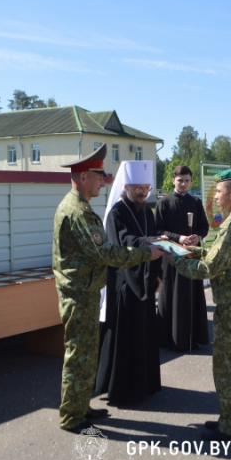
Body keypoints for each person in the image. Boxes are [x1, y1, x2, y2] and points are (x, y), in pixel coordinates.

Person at [53, 145, 165, 433]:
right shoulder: (78, 213)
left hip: (85, 292)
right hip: (79, 295)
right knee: (78, 357)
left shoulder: (81, 208)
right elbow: (107, 254)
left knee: (86, 356)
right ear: (84, 177)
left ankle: (81, 407)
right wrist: (145, 255)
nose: (103, 181)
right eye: (99, 176)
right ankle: (70, 416)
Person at [168, 169, 231, 442]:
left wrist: (172, 256)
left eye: (218, 192)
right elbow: (216, 254)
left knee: (228, 369)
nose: (215, 197)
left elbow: (209, 267)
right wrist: (187, 249)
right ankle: (230, 418)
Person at [96, 161, 162, 404]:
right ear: (126, 187)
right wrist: (148, 243)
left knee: (144, 335)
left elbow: (153, 239)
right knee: (125, 337)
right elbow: (123, 241)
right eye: (138, 188)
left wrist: (156, 275)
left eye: (146, 188)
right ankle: (124, 389)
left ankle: (146, 384)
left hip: (145, 281)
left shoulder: (147, 210)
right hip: (124, 283)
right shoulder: (117, 213)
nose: (143, 192)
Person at [155, 165, 210, 351]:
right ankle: (169, 339)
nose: (183, 184)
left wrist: (197, 236)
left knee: (191, 296)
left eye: (187, 180)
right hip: (172, 257)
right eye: (180, 180)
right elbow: (158, 230)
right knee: (172, 296)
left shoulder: (195, 202)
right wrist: (178, 238)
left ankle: (192, 337)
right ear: (173, 181)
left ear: (190, 181)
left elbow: (204, 226)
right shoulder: (164, 202)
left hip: (191, 256)